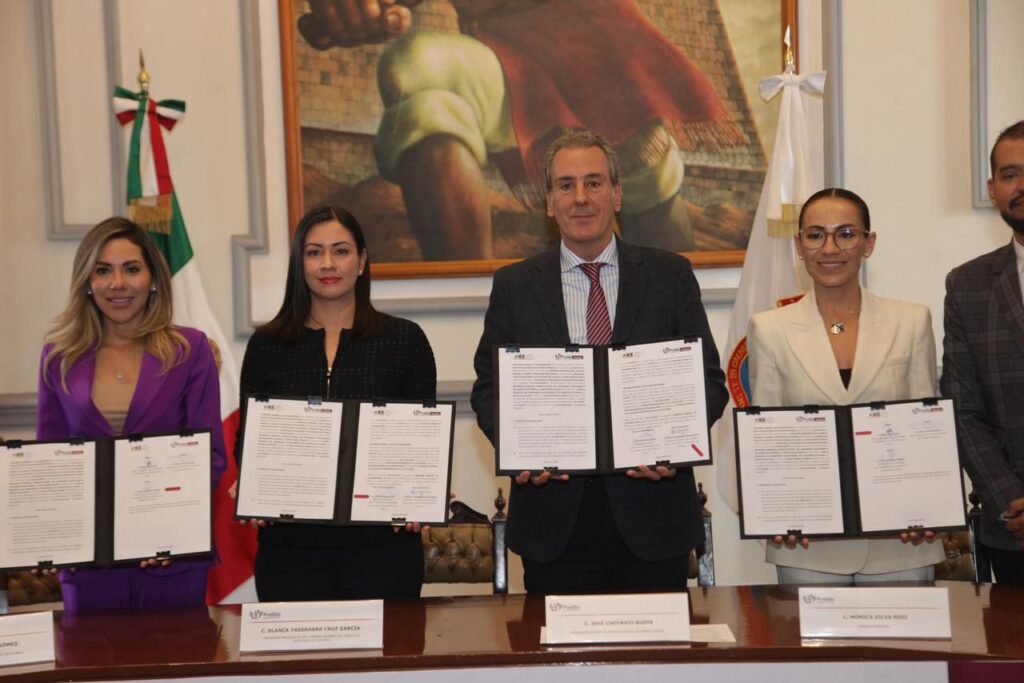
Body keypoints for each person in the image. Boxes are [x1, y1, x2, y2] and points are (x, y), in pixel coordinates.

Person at [470, 129, 728, 593]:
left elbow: (708, 381)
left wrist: (673, 446)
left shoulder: (669, 275)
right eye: (565, 185)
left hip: (654, 516)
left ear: (617, 194)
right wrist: (518, 448)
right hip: (554, 523)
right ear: (549, 202)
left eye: (594, 182)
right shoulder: (515, 286)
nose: (580, 198)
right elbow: (489, 388)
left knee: (659, 641)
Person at [298, 0, 742, 259]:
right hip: (506, 60)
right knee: (417, 66)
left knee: (652, 204)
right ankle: (469, 309)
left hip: (603, 64)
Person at [236, 205, 436, 601]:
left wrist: (421, 493)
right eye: (314, 252)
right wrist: (252, 484)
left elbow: (421, 442)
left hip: (383, 550)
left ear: (361, 261)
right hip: (290, 553)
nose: (327, 263)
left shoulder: (405, 341)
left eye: (341, 251)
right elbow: (248, 440)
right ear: (300, 264)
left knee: (389, 645)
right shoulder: (267, 345)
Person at [746, 187, 943, 585]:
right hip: (808, 543)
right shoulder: (768, 329)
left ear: (869, 243)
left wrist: (927, 508)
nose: (830, 248)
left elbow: (926, 430)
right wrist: (777, 512)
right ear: (799, 246)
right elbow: (767, 439)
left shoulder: (911, 321)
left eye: (846, 234)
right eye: (815, 235)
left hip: (900, 539)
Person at [36, 216, 226, 611]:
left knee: (178, 651)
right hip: (89, 565)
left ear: (153, 279)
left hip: (170, 559)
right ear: (87, 282)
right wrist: (48, 537)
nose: (117, 283)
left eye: (132, 269)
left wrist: (164, 530)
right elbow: (49, 462)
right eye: (103, 270)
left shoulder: (191, 350)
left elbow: (209, 456)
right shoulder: (58, 358)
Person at [942, 120, 1024, 584]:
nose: (1022, 185)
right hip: (1014, 527)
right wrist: (1009, 495)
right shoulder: (968, 285)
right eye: (1011, 174)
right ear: (993, 190)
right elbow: (962, 410)